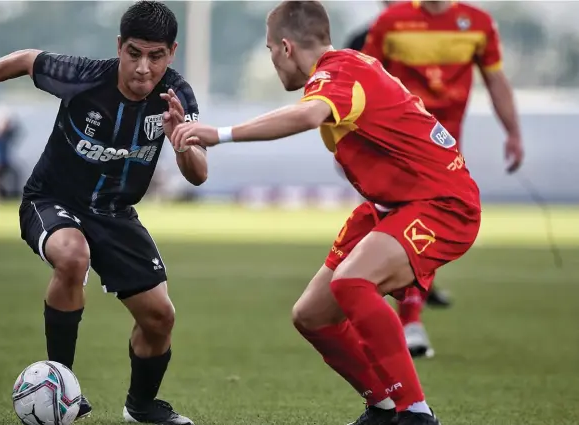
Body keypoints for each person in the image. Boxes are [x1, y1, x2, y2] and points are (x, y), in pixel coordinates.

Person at [170, 1, 482, 424]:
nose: (272, 60)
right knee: (312, 315)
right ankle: (384, 407)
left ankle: (416, 413)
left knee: (353, 283)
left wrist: (220, 134)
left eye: (268, 50)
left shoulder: (338, 73)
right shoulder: (345, 70)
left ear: (284, 47)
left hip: (442, 204)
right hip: (392, 206)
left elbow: (308, 114)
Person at [0, 2, 205, 424]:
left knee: (159, 318)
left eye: (155, 56)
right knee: (72, 256)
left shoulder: (177, 95)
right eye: (134, 53)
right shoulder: (83, 76)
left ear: (171, 53)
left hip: (115, 213)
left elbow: (198, 175)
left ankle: (141, 407)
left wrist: (181, 141)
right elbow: (26, 60)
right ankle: (61, 384)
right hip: (51, 198)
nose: (142, 68)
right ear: (119, 47)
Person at [362, 0, 523, 358]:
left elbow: (496, 80)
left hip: (445, 152)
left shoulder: (477, 23)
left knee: (423, 230)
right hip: (395, 145)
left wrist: (513, 132)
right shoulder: (392, 21)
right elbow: (365, 79)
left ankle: (408, 319)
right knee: (388, 229)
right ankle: (388, 316)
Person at [344, 0, 455, 313]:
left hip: (421, 143)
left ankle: (409, 282)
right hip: (379, 147)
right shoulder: (362, 39)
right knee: (377, 212)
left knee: (423, 213)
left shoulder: (431, 36)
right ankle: (370, 275)